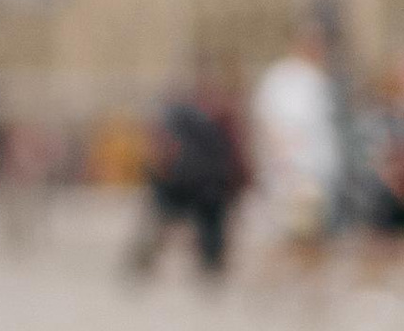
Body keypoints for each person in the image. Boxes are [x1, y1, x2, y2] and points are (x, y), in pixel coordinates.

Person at [126, 85, 247, 282]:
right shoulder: (187, 124)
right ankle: (207, 263)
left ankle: (210, 263)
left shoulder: (198, 127)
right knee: (162, 220)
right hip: (187, 185)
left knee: (205, 220)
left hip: (201, 186)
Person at [252, 19, 340, 274]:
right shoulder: (282, 78)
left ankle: (307, 279)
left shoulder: (318, 79)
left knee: (313, 230)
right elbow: (273, 123)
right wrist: (287, 161)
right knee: (298, 230)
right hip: (296, 168)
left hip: (319, 167)